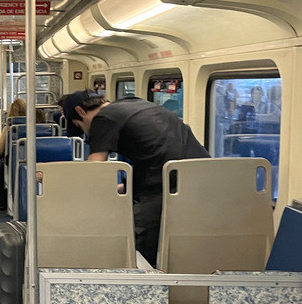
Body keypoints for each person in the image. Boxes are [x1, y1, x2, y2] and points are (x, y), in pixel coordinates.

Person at [59, 90, 209, 266]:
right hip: (202, 179)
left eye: (80, 125)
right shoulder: (134, 103)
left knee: (129, 242)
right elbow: (154, 155)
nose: (86, 132)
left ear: (81, 111)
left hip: (167, 186)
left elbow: (94, 173)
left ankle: (144, 285)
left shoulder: (102, 118)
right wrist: (122, 187)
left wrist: (59, 184)